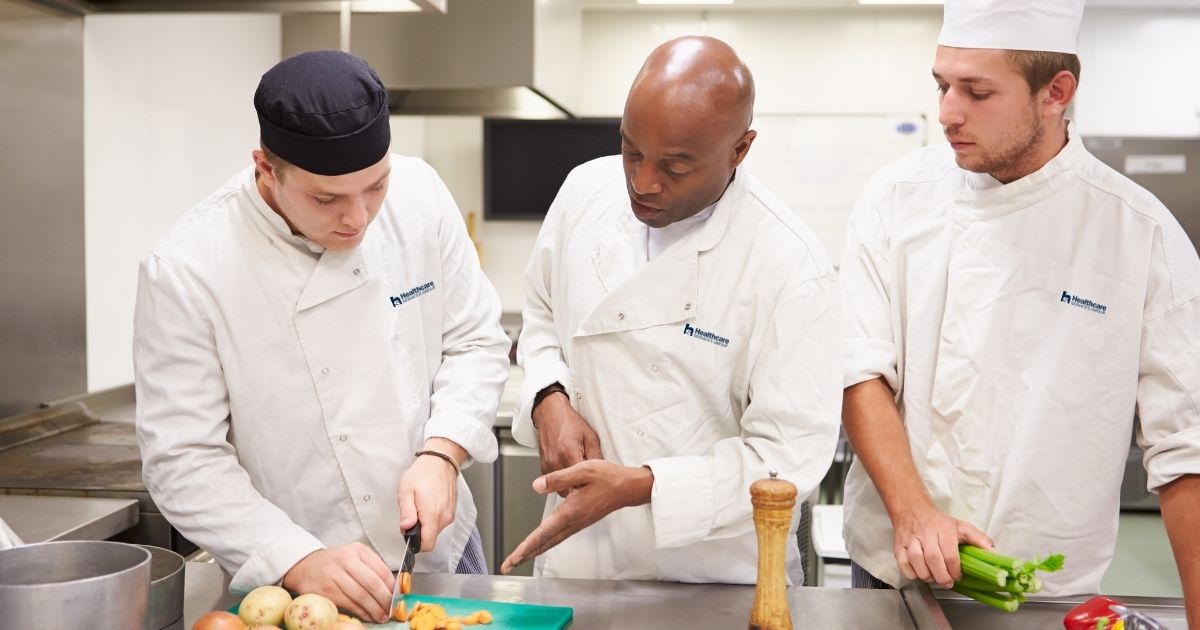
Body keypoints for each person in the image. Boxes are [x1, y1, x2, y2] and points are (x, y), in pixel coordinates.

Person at [839, 0, 1200, 624]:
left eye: (977, 92)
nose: (948, 113)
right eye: (942, 85)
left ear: (1056, 92)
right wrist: (914, 512)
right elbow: (858, 368)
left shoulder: (1140, 235)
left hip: (1047, 589)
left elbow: (1186, 449)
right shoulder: (896, 198)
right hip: (893, 578)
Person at [133, 50, 509, 623]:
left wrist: (443, 454)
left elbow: (476, 339)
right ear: (265, 168)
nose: (358, 219)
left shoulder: (421, 194)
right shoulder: (188, 269)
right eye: (326, 199)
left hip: (438, 551)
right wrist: (297, 557)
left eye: (375, 187)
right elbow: (183, 458)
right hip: (297, 583)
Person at [499, 35, 841, 584]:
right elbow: (541, 313)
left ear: (740, 149)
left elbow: (788, 459)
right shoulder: (585, 191)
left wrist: (644, 485)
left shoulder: (790, 267)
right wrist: (548, 397)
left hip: (718, 581)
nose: (642, 181)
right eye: (631, 150)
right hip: (582, 568)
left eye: (676, 167)